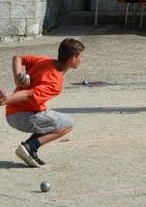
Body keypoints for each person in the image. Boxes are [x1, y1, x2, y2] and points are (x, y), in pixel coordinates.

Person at [0, 38, 84, 167]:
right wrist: (7, 98)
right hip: (21, 116)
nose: (81, 59)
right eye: (80, 56)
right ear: (72, 59)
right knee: (67, 124)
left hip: (14, 112)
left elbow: (18, 57)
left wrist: (17, 78)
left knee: (53, 119)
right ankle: (30, 147)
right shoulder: (55, 83)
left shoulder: (45, 61)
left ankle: (29, 147)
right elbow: (28, 95)